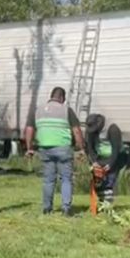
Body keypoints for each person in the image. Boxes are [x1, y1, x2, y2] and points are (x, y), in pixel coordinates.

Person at [24, 87, 85, 216]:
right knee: (66, 179)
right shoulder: (66, 110)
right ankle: (66, 208)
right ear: (62, 98)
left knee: (48, 180)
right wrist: (80, 148)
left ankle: (47, 208)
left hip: (45, 149)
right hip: (63, 148)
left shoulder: (38, 110)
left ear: (51, 96)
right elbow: (76, 130)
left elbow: (29, 129)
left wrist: (29, 148)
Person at [85, 114, 125, 204]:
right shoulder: (91, 130)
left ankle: (107, 205)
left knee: (109, 182)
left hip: (115, 157)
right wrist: (94, 161)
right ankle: (101, 202)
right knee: (99, 182)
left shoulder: (113, 129)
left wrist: (110, 164)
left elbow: (116, 149)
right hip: (100, 157)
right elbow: (90, 147)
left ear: (99, 124)